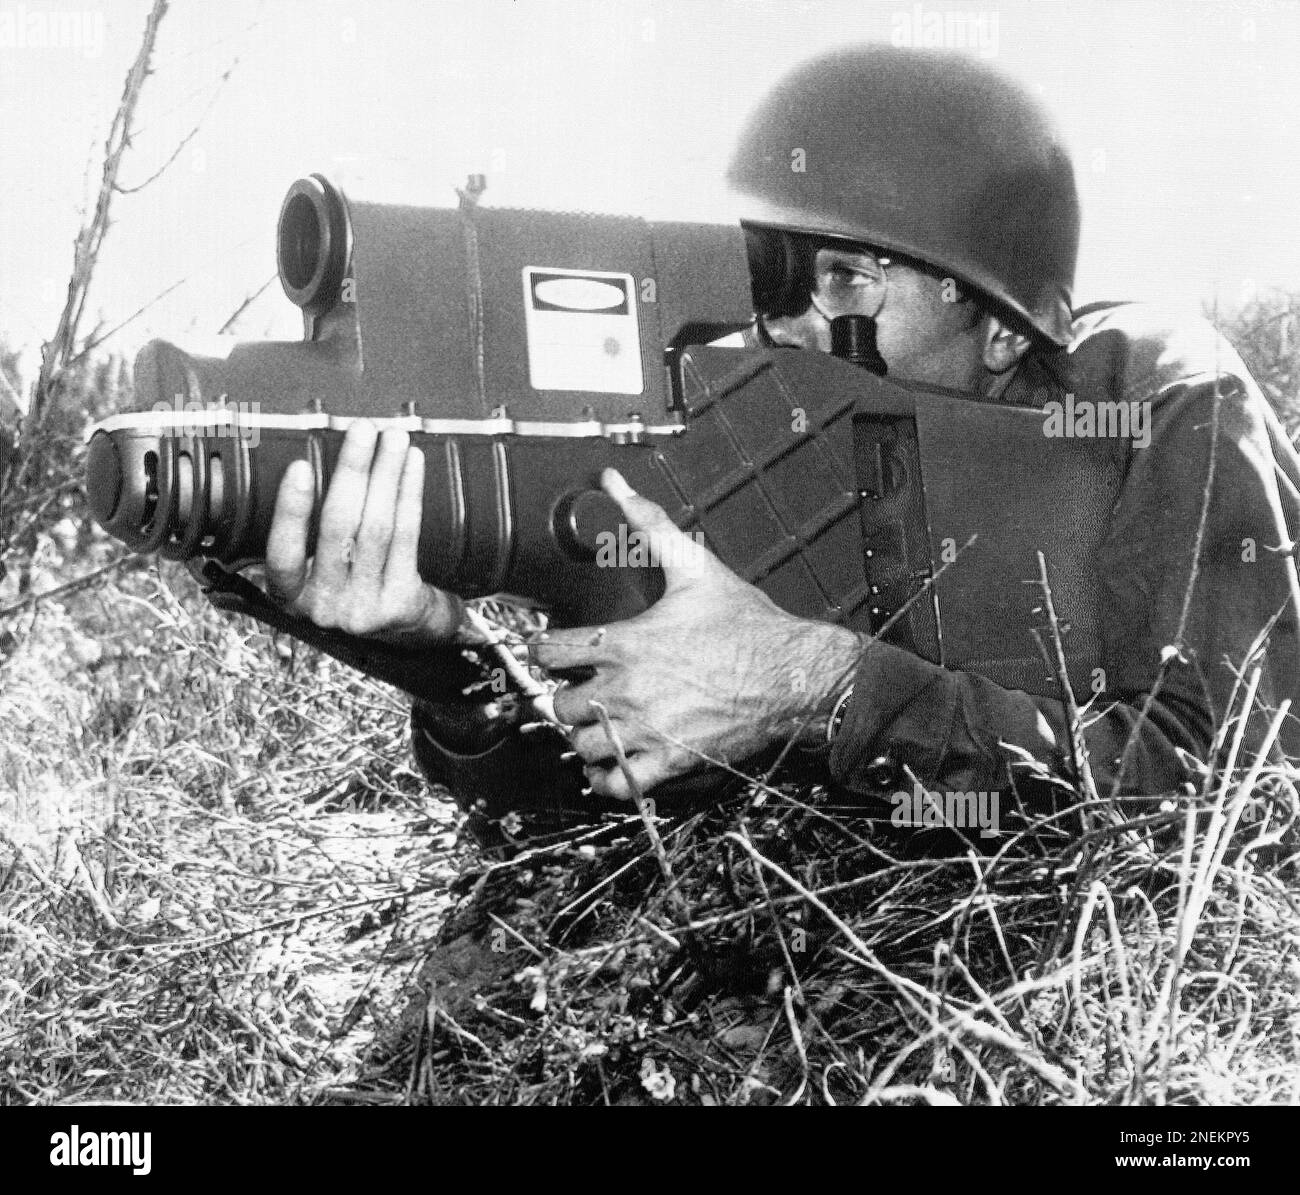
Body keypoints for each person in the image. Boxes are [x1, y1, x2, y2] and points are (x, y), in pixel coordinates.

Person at [261, 44, 1300, 845]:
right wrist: (446, 664)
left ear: (997, 325)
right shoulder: (753, 435)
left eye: (845, 279)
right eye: (775, 276)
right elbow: (620, 789)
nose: (796, 325)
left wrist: (819, 685)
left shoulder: (1160, 403)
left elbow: (1242, 791)